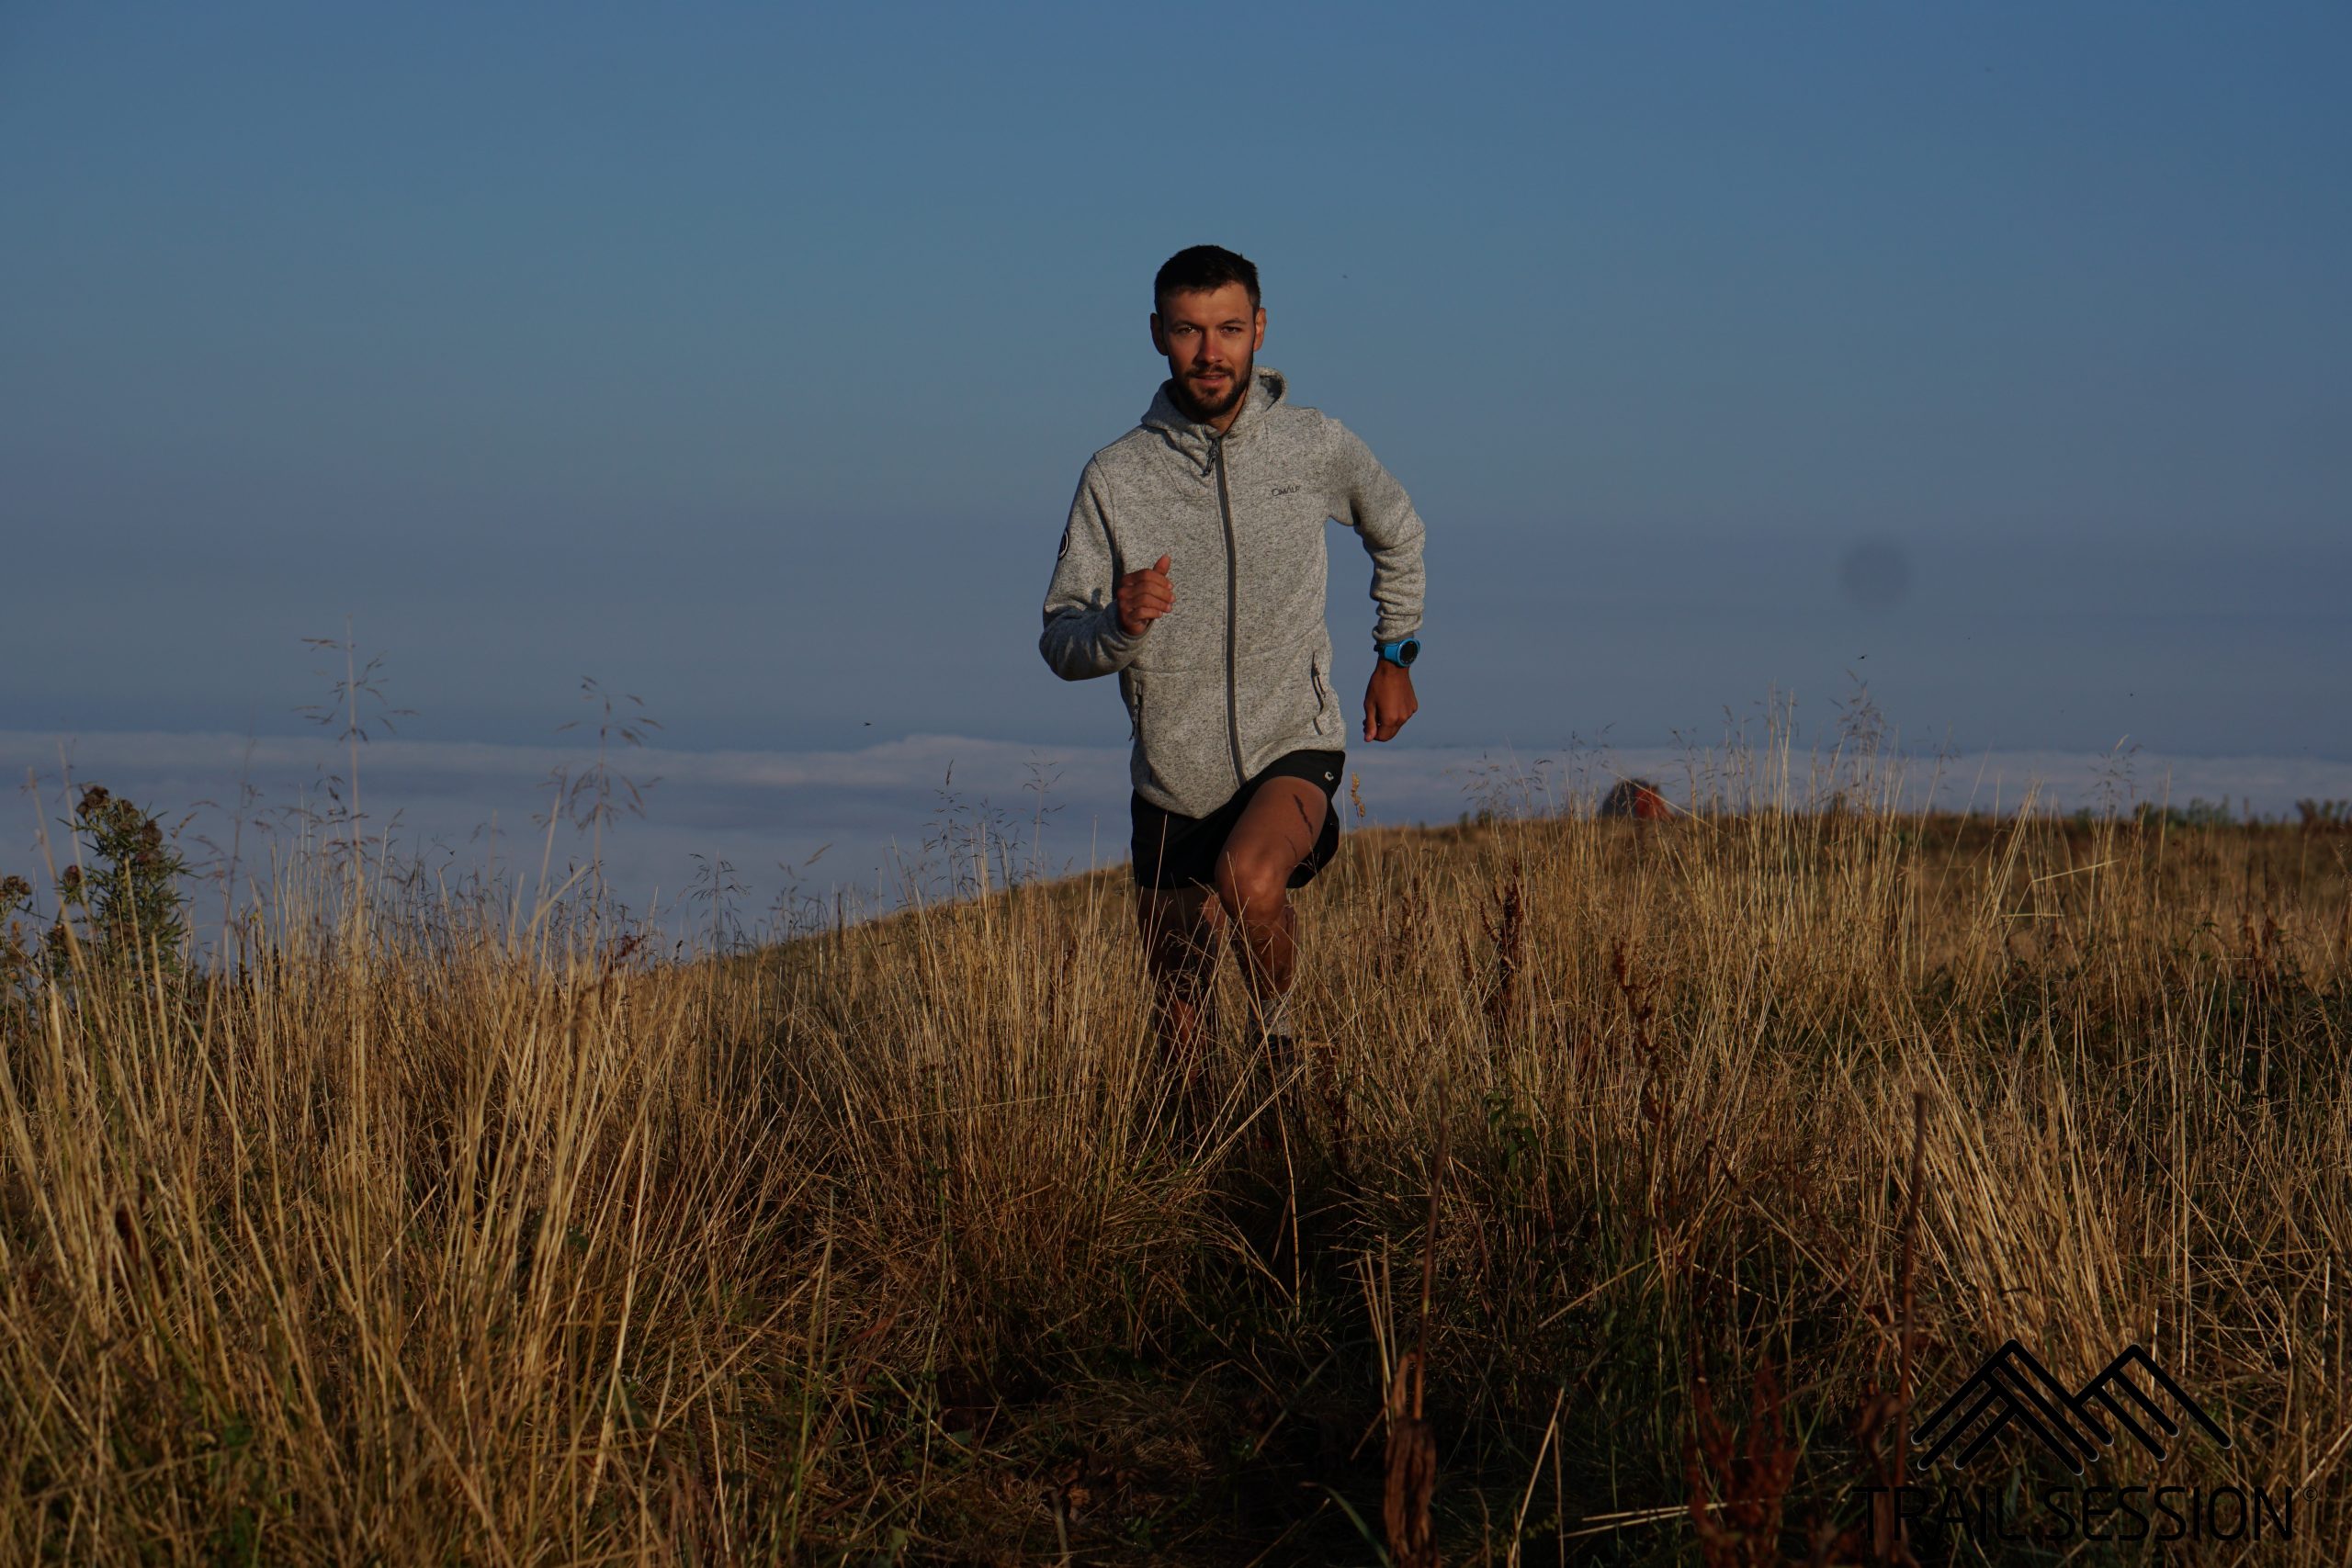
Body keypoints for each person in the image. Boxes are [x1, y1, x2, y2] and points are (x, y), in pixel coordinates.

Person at [1039, 243, 1427, 1109]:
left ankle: (1284, 1065)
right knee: (1178, 1035)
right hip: (1173, 775)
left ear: (1259, 328)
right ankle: (1208, 1173)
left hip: (1294, 742)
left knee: (1251, 880)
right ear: (1157, 336)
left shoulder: (1314, 444)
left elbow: (1398, 530)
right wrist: (1119, 624)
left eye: (1226, 329)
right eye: (1187, 331)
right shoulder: (1116, 476)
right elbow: (1061, 638)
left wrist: (1395, 654)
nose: (1209, 352)